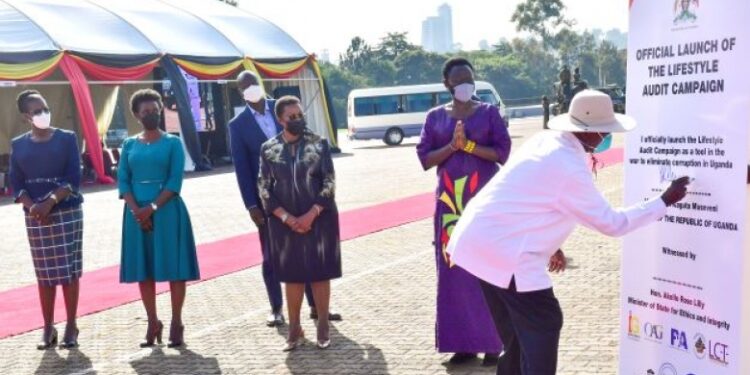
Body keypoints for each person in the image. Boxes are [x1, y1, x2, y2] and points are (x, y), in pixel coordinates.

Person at [446, 90, 690, 375]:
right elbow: (612, 223)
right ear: (589, 132)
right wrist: (664, 200)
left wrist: (552, 245)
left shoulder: (546, 141)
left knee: (515, 334)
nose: (605, 136)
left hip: (479, 242)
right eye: (604, 130)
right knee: (544, 322)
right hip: (506, 252)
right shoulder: (569, 166)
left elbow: (531, 197)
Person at [416, 57, 512, 366]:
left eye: (469, 79)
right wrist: (452, 148)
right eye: (459, 81)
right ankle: (463, 344)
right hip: (450, 206)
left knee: (486, 269)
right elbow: (425, 158)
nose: (465, 86)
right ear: (447, 84)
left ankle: (493, 343)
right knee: (454, 270)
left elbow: (502, 152)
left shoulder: (489, 113)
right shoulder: (434, 118)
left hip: (484, 202)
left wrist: (469, 147)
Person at [228, 71, 340, 327]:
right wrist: (252, 205)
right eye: (245, 86)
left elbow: (309, 142)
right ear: (240, 92)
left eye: (254, 82)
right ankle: (277, 307)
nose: (251, 88)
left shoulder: (283, 108)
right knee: (271, 255)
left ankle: (316, 306)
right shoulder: (238, 125)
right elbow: (242, 169)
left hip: (303, 195)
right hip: (271, 203)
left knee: (310, 251)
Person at [258, 96, 342, 351]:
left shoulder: (319, 144)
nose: (297, 120)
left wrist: (311, 214)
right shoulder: (268, 148)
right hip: (283, 223)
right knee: (292, 276)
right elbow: (263, 187)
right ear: (280, 119)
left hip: (320, 217)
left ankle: (323, 324)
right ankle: (294, 327)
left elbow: (329, 181)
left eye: (299, 115)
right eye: (291, 116)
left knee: (319, 273)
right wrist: (287, 217)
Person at [118, 89, 200, 348]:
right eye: (145, 112)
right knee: (145, 272)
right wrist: (136, 211)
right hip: (135, 214)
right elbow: (123, 180)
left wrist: (151, 208)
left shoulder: (173, 143)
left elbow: (175, 181)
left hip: (167, 210)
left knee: (175, 270)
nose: (151, 115)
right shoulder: (129, 144)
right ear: (136, 115)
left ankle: (177, 322)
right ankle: (153, 322)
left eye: (155, 110)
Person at [9, 90, 84, 350]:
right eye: (36, 111)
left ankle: (71, 324)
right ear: (25, 117)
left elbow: (74, 178)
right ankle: (48, 326)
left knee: (68, 271)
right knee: (44, 275)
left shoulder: (66, 138)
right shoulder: (18, 144)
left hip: (65, 212)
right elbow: (16, 184)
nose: (43, 114)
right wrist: (33, 208)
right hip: (37, 218)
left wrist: (50, 201)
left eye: (45, 108)